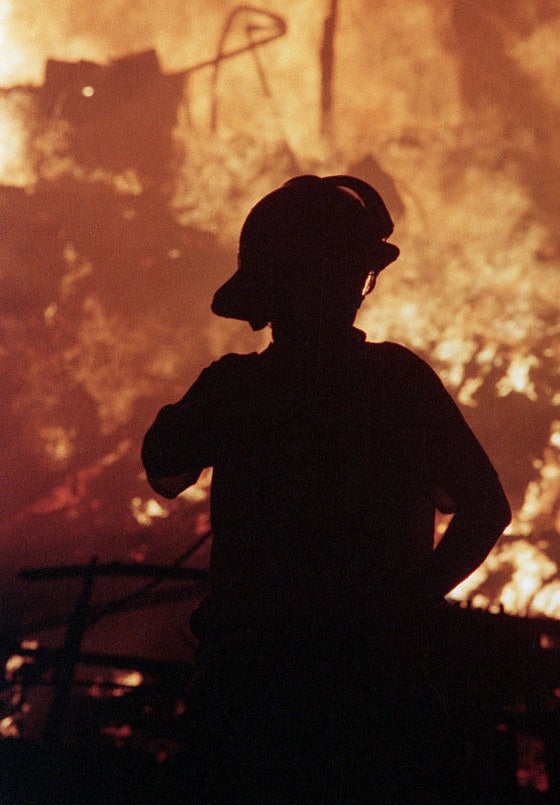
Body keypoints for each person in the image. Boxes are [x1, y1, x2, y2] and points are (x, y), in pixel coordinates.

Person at [141, 175, 511, 802]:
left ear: (265, 293)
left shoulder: (237, 387)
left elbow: (165, 463)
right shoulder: (396, 382)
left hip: (250, 700)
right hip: (371, 697)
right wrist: (409, 602)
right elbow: (484, 507)